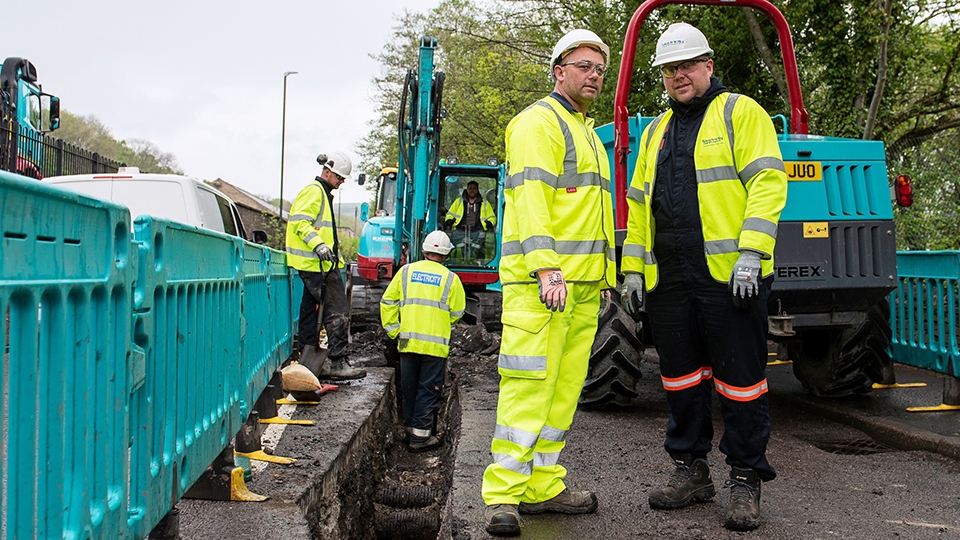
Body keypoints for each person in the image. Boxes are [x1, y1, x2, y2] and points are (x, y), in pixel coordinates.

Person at [620, 22, 788, 532]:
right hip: (669, 280)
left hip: (729, 278)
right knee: (680, 380)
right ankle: (690, 470)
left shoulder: (740, 112)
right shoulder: (655, 132)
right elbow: (637, 206)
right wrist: (631, 271)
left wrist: (751, 253)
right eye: (670, 70)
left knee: (740, 383)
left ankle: (744, 478)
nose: (678, 76)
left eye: (687, 66)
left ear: (708, 66)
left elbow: (767, 180)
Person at [480, 29, 616, 537]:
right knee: (528, 390)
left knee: (561, 394)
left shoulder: (585, 130)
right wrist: (545, 266)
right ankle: (504, 496)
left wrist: (600, 278)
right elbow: (532, 200)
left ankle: (542, 486)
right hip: (543, 286)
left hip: (579, 287)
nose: (594, 75)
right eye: (584, 66)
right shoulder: (539, 123)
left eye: (599, 68)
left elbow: (588, 215)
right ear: (559, 70)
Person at [379, 230, 465, 451]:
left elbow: (387, 301)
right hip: (435, 347)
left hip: (407, 342)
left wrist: (393, 330)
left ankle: (410, 429)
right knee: (428, 389)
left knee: (409, 387)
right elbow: (457, 313)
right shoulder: (451, 279)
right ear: (445, 255)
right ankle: (421, 436)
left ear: (424, 250)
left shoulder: (406, 272)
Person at [285, 151, 366, 380]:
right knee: (338, 310)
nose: (341, 182)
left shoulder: (322, 192)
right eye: (339, 177)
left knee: (310, 311)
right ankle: (337, 361)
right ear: (328, 172)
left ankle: (308, 361)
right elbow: (301, 222)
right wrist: (320, 246)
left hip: (317, 264)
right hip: (315, 264)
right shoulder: (315, 191)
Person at [445, 180, 496, 260]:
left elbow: (492, 217)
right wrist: (449, 220)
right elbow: (450, 214)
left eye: (474, 188)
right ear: (467, 189)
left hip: (478, 231)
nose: (472, 190)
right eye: (470, 188)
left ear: (478, 190)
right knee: (451, 246)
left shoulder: (485, 203)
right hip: (460, 230)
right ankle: (453, 261)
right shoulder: (458, 201)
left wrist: (490, 223)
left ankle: (478, 263)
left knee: (481, 249)